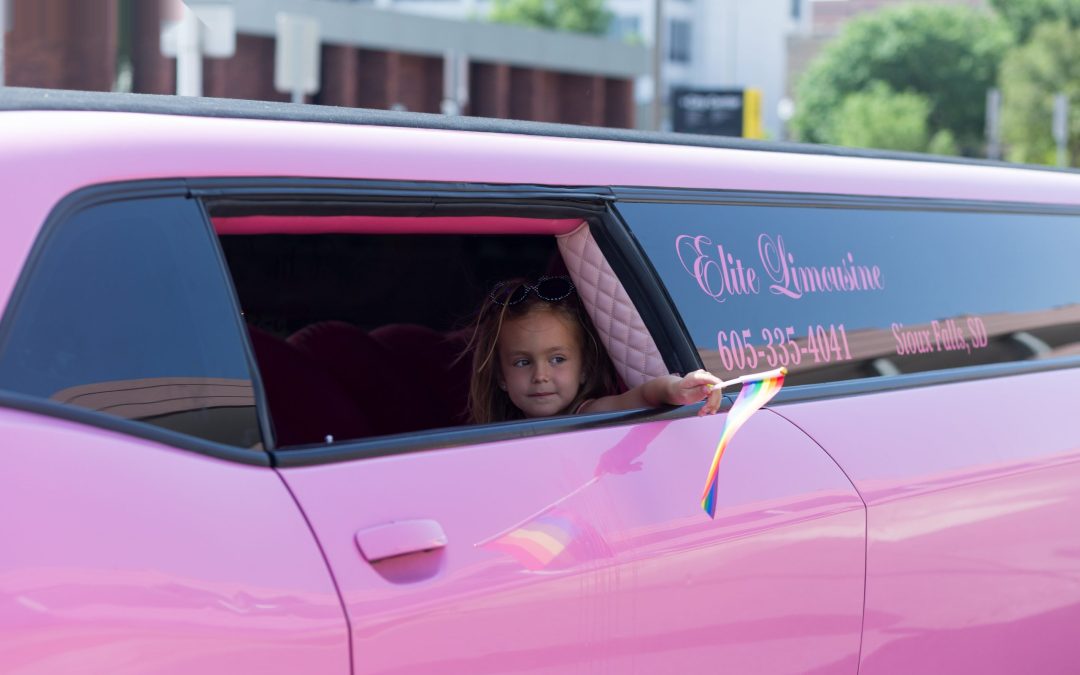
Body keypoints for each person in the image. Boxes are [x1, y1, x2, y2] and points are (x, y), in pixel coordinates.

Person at [467, 275, 727, 424]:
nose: (540, 375)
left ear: (584, 369)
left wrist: (676, 388)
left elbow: (645, 396)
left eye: (557, 359)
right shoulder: (495, 431)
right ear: (501, 377)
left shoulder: (587, 415)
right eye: (523, 362)